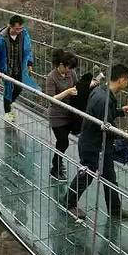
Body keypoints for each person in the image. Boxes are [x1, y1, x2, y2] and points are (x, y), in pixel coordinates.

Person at [65, 63, 128, 220]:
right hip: (94, 146)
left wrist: (119, 112)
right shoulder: (104, 99)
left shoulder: (100, 91)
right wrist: (125, 138)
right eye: (127, 80)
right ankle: (69, 203)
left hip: (99, 145)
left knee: (110, 178)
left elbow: (103, 117)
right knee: (86, 176)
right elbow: (107, 126)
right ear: (122, 79)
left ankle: (115, 210)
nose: (127, 83)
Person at [0, 14, 39, 123]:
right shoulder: (1, 38)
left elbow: (28, 49)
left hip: (19, 67)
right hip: (6, 68)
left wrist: (29, 63)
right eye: (17, 29)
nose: (19, 31)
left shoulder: (24, 34)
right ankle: (7, 112)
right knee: (8, 89)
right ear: (10, 26)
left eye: (21, 28)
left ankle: (9, 103)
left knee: (19, 88)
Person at [45, 49, 78, 180]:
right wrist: (67, 92)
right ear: (60, 64)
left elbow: (77, 86)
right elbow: (51, 98)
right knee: (63, 141)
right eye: (67, 67)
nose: (69, 70)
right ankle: (55, 167)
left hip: (69, 114)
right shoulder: (51, 77)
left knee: (62, 142)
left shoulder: (71, 74)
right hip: (57, 115)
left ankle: (57, 163)